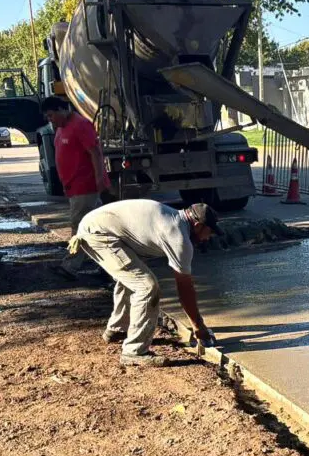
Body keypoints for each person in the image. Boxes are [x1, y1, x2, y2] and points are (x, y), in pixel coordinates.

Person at [70, 200, 222, 367]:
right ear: (198, 224)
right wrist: (198, 326)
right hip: (98, 234)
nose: (208, 238)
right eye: (209, 232)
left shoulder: (173, 217)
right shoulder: (178, 237)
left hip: (98, 226)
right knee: (147, 287)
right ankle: (134, 352)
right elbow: (185, 289)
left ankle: (117, 329)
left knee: (132, 278)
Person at [41, 96, 111, 279]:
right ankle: (108, 266)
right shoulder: (61, 128)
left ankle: (71, 265)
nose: (50, 120)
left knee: (80, 226)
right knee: (97, 229)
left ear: (61, 109)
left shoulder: (80, 125)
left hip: (85, 185)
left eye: (51, 115)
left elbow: (94, 152)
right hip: (74, 186)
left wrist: (98, 178)